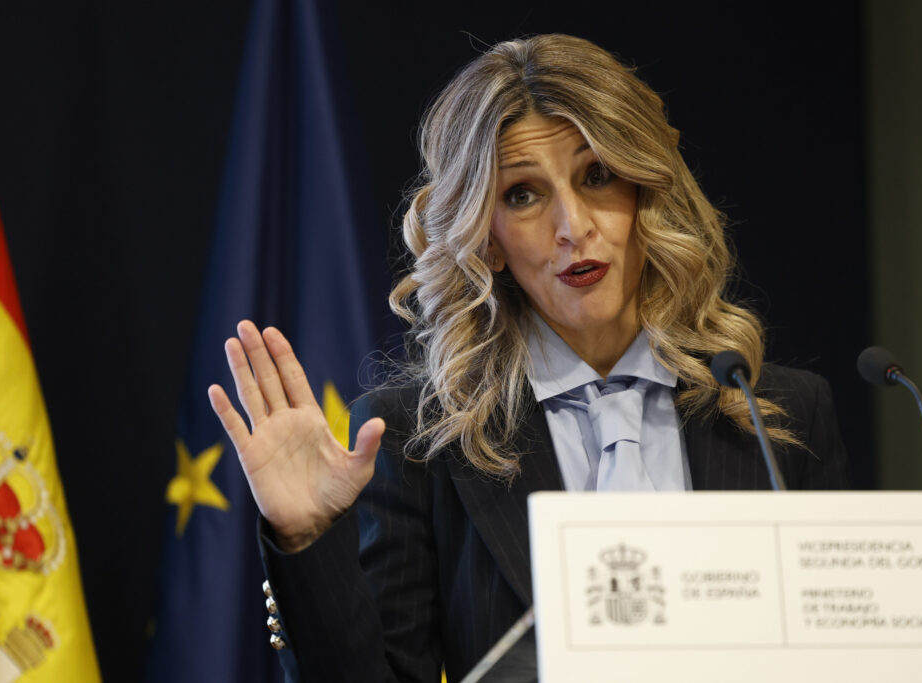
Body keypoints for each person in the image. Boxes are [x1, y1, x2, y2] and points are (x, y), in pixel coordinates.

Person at [208, 34, 850, 682]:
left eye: (597, 175)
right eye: (523, 194)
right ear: (487, 239)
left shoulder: (784, 414)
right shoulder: (420, 441)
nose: (573, 226)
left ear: (645, 193)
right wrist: (306, 540)